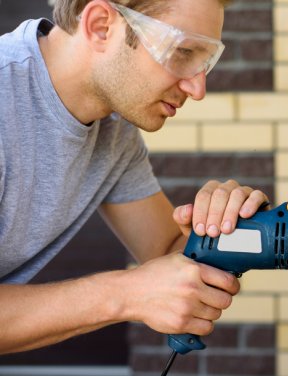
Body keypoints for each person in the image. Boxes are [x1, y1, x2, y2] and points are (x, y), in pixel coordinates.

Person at [0, 0, 269, 354]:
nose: (197, 90)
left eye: (205, 62)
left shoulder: (114, 134)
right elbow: (140, 288)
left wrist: (230, 227)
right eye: (182, 51)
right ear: (101, 26)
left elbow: (167, 253)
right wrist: (125, 294)